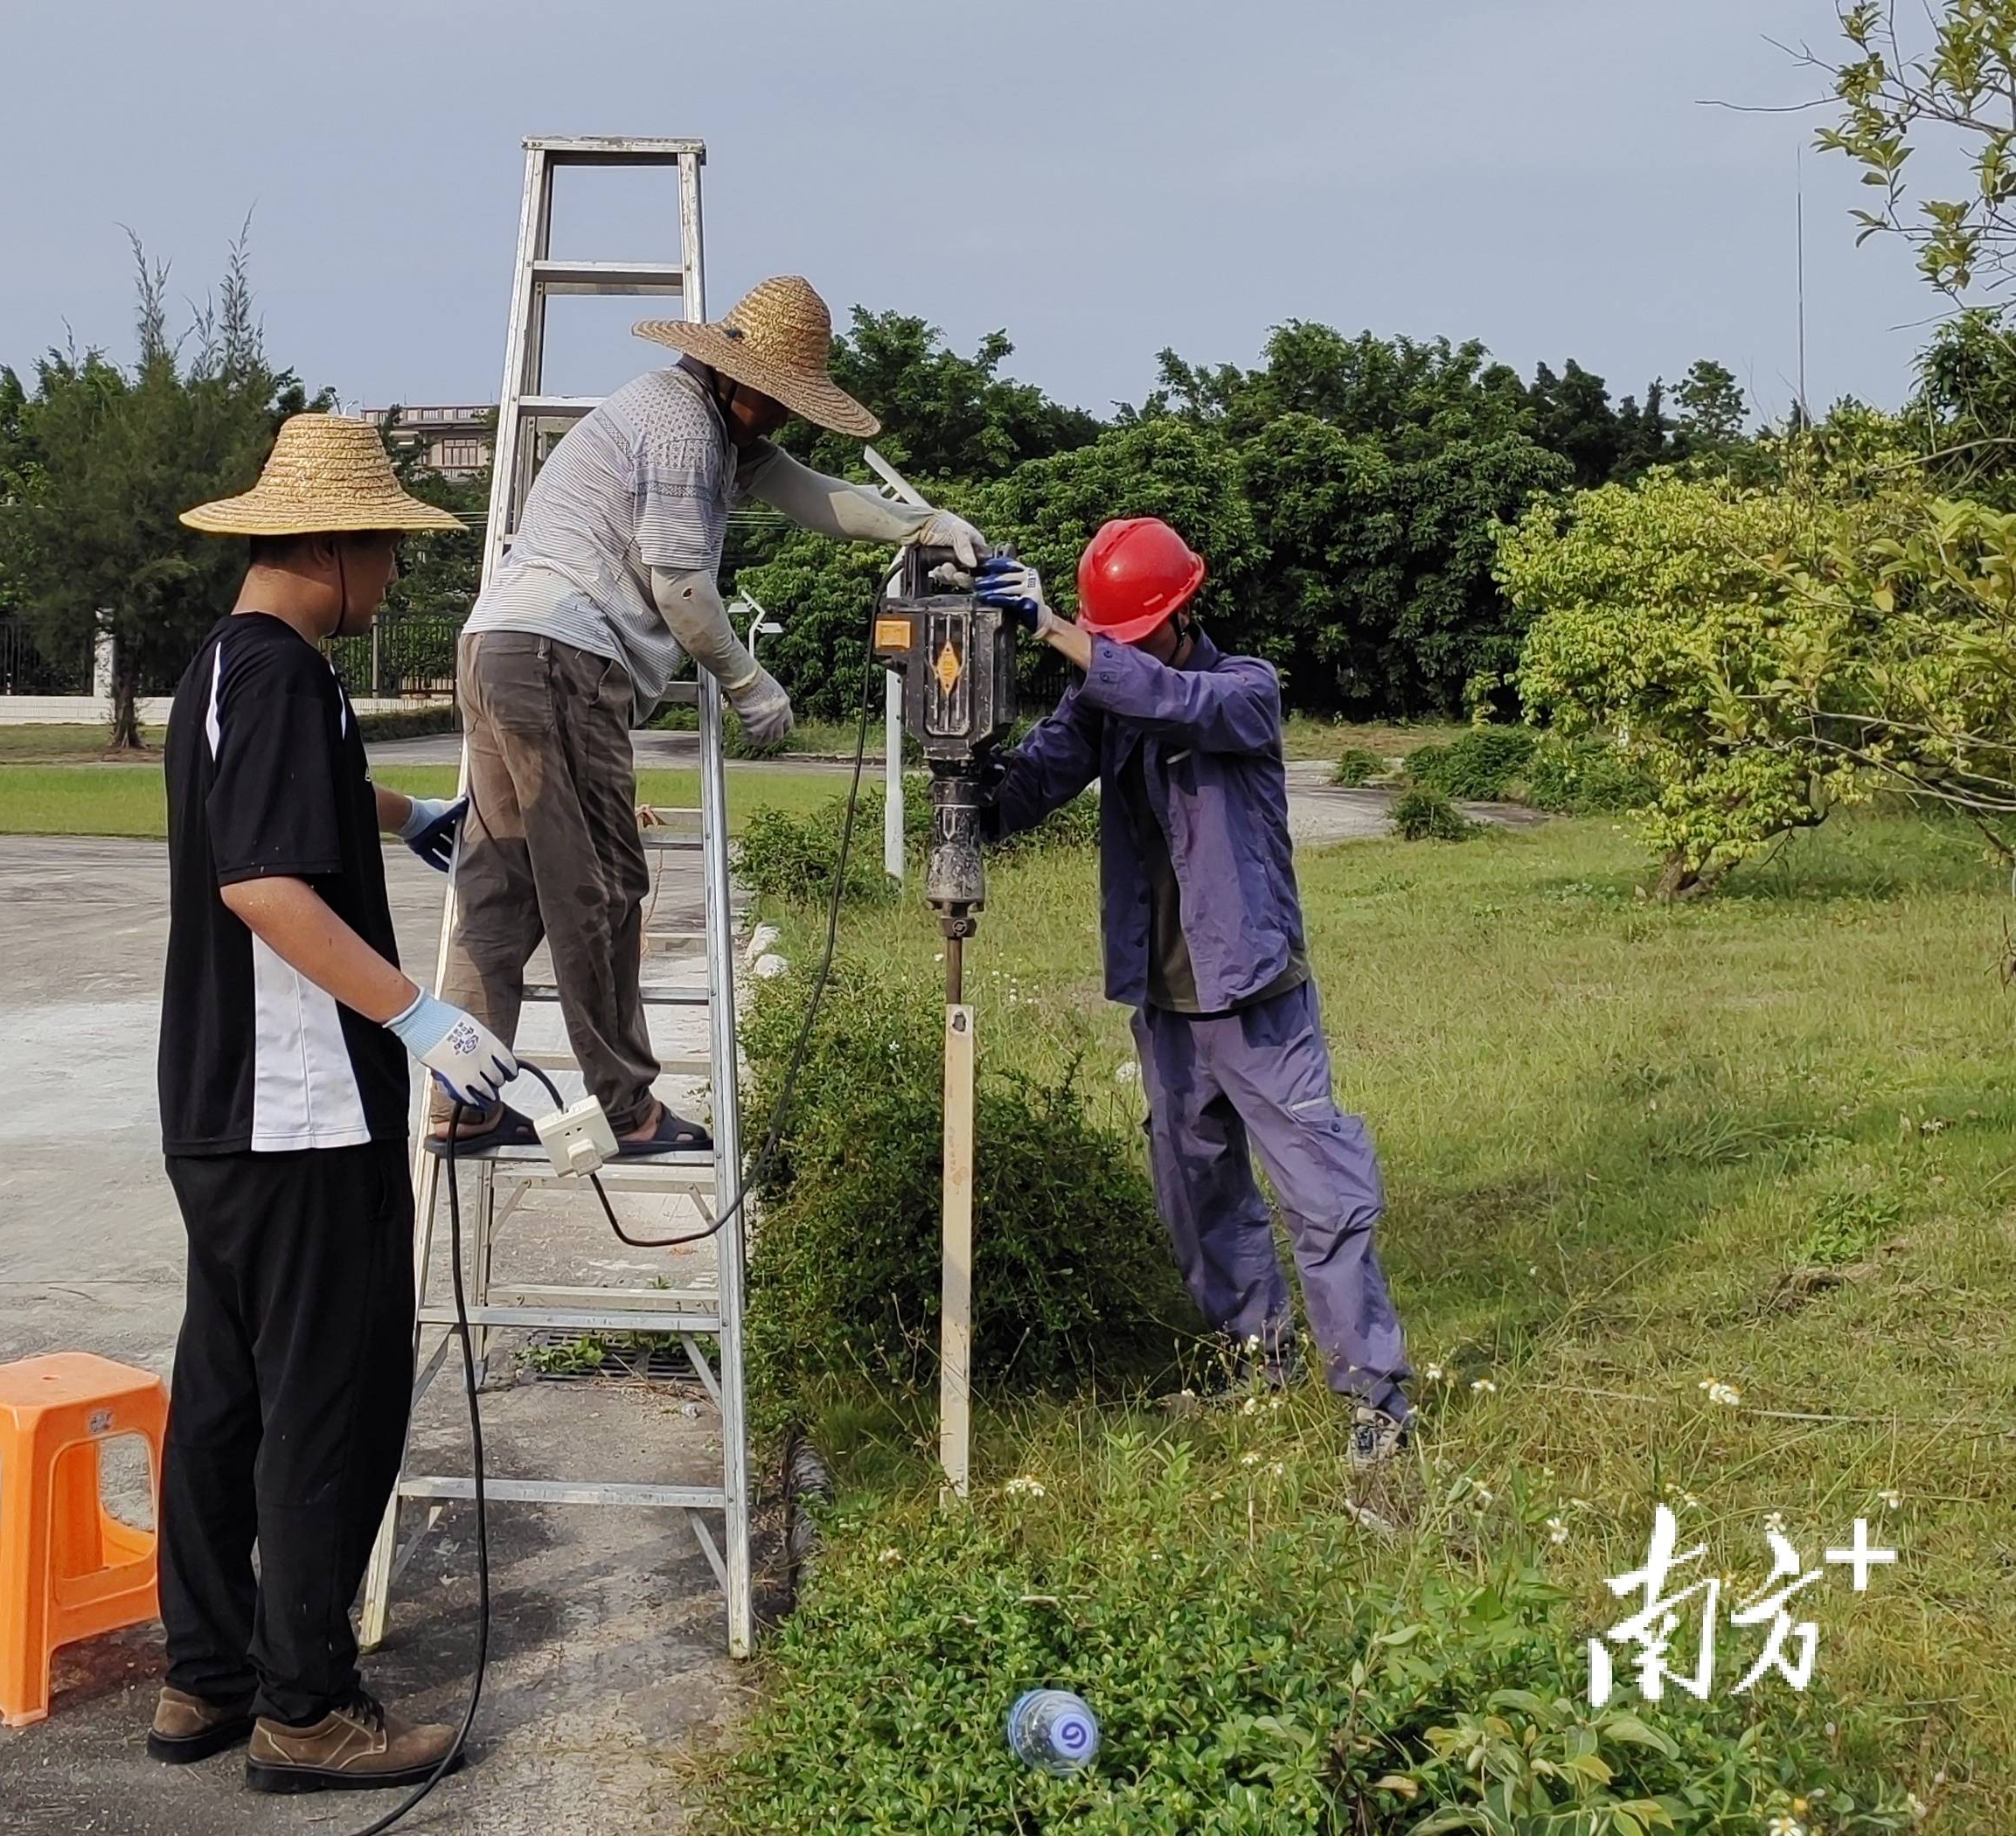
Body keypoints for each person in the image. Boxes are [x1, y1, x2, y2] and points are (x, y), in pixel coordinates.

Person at [150, 414, 521, 1791]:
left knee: (227, 1392)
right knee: (332, 1399)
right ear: (324, 544)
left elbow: (287, 807)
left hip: (215, 1110)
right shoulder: (292, 679)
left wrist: (405, 810)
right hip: (301, 1113)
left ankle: (206, 1678)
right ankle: (306, 1710)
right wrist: (418, 1015)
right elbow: (261, 884)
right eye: (383, 548)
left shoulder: (224, 671)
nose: (393, 576)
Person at [435, 275, 989, 1158]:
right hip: (560, 659)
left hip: (497, 646)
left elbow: (808, 491)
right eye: (777, 402)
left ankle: (462, 1101)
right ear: (741, 379)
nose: (779, 420)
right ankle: (628, 1109)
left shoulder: (699, 415)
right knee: (602, 889)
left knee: (501, 888)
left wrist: (917, 525)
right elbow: (683, 588)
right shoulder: (687, 430)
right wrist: (747, 682)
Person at [975, 520, 1417, 1467]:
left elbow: (1170, 700)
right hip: (1166, 1004)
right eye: (1112, 640)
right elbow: (1026, 790)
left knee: (1323, 1198)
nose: (1121, 654)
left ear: (1180, 615)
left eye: (1130, 637)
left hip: (1256, 999)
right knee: (1197, 1194)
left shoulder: (1241, 691)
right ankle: (1257, 1361)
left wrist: (1058, 628)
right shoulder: (1106, 702)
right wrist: (956, 733)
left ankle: (1377, 1404)